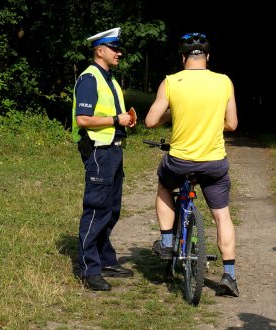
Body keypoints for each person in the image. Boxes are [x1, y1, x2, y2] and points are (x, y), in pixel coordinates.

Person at [144, 32, 241, 297]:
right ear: (208, 57)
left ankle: (166, 241)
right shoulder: (224, 82)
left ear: (183, 57)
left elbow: (150, 121)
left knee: (165, 186)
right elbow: (232, 124)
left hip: (180, 161)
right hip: (213, 163)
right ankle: (229, 275)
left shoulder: (172, 82)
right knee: (222, 215)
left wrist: (173, 113)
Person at [71, 27, 137, 291]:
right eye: (114, 48)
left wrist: (124, 122)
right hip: (99, 152)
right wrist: (114, 120)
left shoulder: (108, 78)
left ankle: (106, 260)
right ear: (100, 51)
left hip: (113, 149)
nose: (119, 53)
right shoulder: (89, 78)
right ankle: (88, 269)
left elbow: (112, 115)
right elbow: (83, 120)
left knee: (112, 210)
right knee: (97, 209)